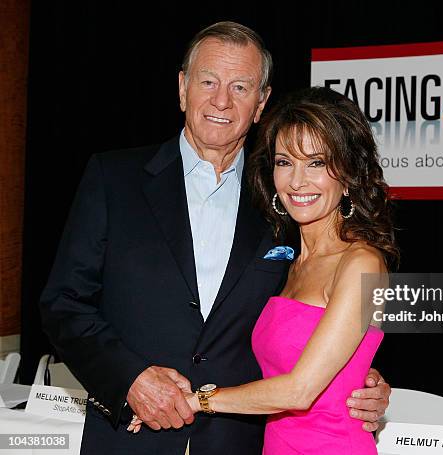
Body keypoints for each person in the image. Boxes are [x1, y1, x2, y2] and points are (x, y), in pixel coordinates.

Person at [39, 22, 390, 455]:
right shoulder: (114, 179)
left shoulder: (283, 202)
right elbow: (63, 303)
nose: (221, 100)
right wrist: (130, 378)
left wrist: (360, 378)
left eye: (240, 87)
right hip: (129, 436)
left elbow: (330, 313)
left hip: (240, 440)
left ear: (261, 102)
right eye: (208, 81)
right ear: (183, 87)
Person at [131, 86, 398, 453]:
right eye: (285, 162)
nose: (297, 181)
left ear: (349, 173)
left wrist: (197, 400)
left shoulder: (361, 263)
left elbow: (300, 390)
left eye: (317, 163)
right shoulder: (286, 263)